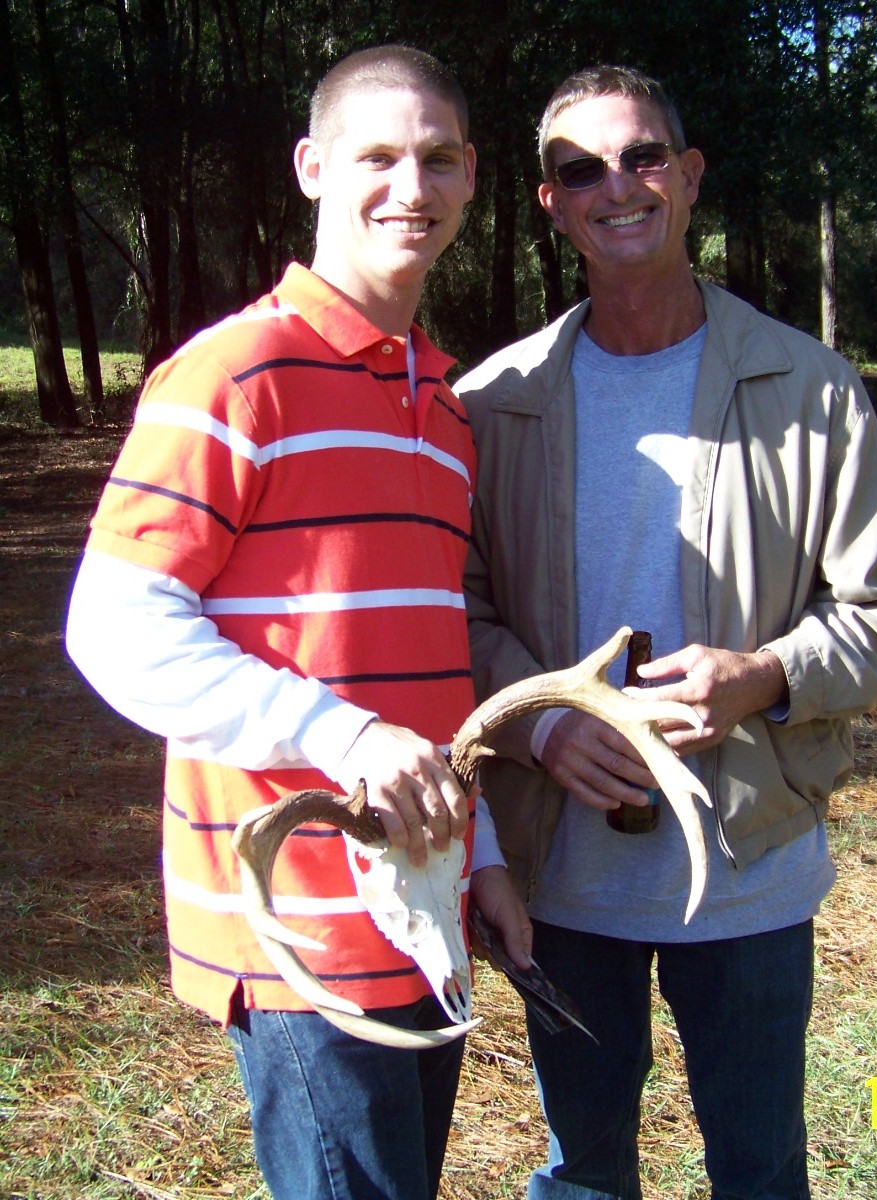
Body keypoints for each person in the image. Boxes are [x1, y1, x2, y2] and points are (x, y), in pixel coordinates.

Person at [457, 64, 877, 1200]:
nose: (616, 186)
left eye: (642, 156)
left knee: (760, 1171)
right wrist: (536, 730)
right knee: (583, 1176)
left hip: (750, 868)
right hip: (561, 879)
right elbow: (460, 612)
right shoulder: (494, 400)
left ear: (690, 175)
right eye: (581, 169)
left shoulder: (808, 388)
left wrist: (764, 675)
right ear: (549, 203)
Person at [65, 44, 531, 1200]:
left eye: (436, 159)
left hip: (417, 910)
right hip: (299, 933)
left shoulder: (441, 400)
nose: (408, 188)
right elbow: (116, 629)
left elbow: (424, 664)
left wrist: (478, 853)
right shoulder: (231, 377)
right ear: (313, 167)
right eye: (376, 156)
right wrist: (342, 737)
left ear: (472, 177)